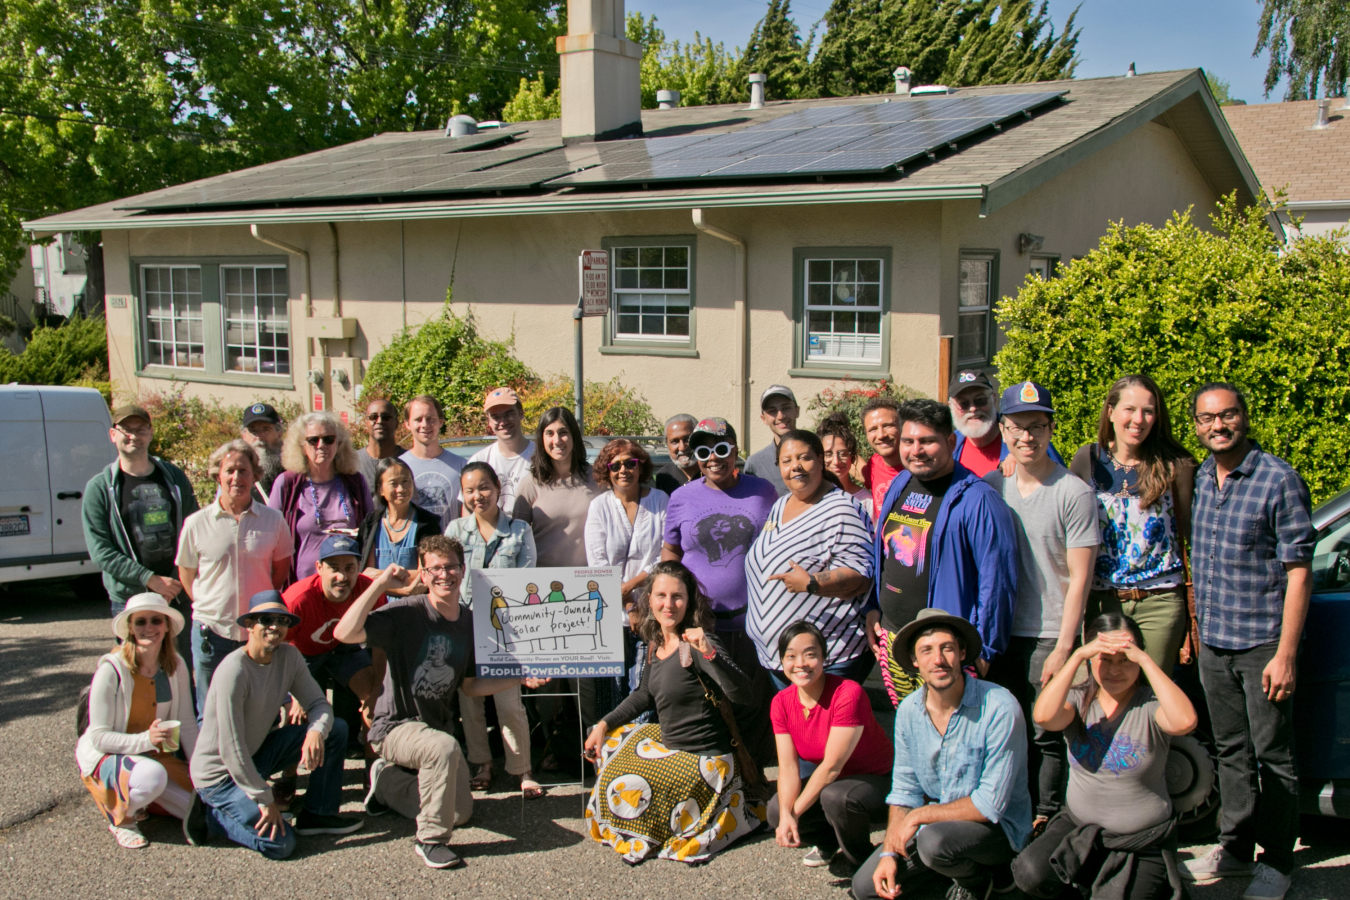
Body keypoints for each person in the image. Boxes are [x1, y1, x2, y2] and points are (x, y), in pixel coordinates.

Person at [334, 536, 548, 869]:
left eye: (450, 566)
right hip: (395, 727)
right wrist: (378, 585)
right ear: (422, 573)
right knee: (444, 750)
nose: (443, 574)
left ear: (463, 571)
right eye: (434, 568)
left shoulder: (467, 623)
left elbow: (471, 687)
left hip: (436, 731)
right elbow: (344, 634)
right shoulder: (404, 613)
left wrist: (519, 678)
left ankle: (387, 785)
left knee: (460, 812)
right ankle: (430, 840)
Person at [1181, 383, 1314, 900]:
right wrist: (1196, 630)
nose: (1218, 425)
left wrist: (1285, 655)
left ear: (1244, 417)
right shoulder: (1201, 479)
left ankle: (1277, 861)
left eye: (1227, 415)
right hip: (1215, 642)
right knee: (1231, 750)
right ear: (1196, 424)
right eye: (1207, 418)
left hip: (1263, 645)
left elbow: (1299, 573)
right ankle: (1236, 845)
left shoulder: (1278, 480)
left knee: (1273, 756)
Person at [582, 560, 766, 864]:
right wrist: (603, 723)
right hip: (669, 744)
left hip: (703, 759)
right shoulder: (656, 643)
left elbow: (744, 695)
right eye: (661, 596)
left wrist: (709, 653)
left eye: (677, 596)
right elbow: (643, 695)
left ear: (689, 600)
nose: (669, 604)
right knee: (606, 744)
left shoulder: (697, 641)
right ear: (649, 599)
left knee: (623, 786)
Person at [1014, 613, 1198, 900]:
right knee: (1029, 873)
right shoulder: (1078, 699)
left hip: (1142, 841)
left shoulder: (1150, 704)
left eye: (1125, 659)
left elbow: (1185, 721)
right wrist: (1076, 656)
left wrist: (1147, 661)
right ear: (1092, 659)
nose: (1115, 670)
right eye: (1105, 659)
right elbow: (1044, 716)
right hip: (1080, 829)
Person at [853, 608, 1031, 900]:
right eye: (927, 650)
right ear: (914, 661)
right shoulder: (909, 710)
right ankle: (946, 873)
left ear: (962, 653)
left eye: (946, 648)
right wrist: (888, 851)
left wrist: (921, 816)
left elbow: (990, 804)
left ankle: (981, 880)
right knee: (865, 889)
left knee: (935, 843)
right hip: (937, 827)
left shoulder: (1000, 706)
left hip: (995, 831)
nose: (938, 659)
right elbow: (905, 789)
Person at [982, 382, 1098, 830]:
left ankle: (1047, 818)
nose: (1026, 437)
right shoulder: (994, 484)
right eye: (1016, 427)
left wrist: (1065, 647)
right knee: (1008, 734)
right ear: (1003, 430)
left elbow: (1081, 578)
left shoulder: (1073, 492)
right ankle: (1014, 814)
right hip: (1002, 635)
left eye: (1037, 426)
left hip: (1050, 633)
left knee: (1047, 734)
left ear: (1051, 429)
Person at [185, 590, 362, 857]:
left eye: (281, 621)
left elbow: (319, 705)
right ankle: (212, 817)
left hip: (255, 756)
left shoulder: (288, 658)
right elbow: (231, 749)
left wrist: (315, 731)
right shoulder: (233, 672)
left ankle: (318, 815)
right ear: (249, 625)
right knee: (280, 844)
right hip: (220, 776)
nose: (275, 627)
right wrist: (265, 798)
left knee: (334, 730)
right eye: (265, 619)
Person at [870, 399, 1018, 707]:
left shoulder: (979, 501)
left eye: (927, 441)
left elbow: (997, 583)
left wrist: (983, 652)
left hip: (944, 652)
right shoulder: (901, 483)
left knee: (952, 739)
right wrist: (874, 609)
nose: (915, 450)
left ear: (951, 441)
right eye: (908, 441)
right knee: (910, 730)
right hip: (895, 641)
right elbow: (883, 553)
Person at [660, 417, 779, 758]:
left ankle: (752, 783)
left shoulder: (763, 492)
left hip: (752, 622)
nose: (713, 457)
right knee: (707, 701)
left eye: (721, 448)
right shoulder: (682, 497)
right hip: (701, 623)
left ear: (735, 450)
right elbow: (671, 550)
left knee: (751, 701)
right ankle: (716, 779)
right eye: (703, 450)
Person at [1069, 374, 1196, 673]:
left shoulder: (1177, 465)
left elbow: (1191, 533)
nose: (1138, 419)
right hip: (1102, 601)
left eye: (1148, 411)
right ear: (1110, 412)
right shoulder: (1088, 459)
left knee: (1153, 691)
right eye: (1130, 409)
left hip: (1160, 603)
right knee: (1104, 690)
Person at [745, 429, 876, 688]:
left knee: (826, 729)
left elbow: (860, 576)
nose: (796, 467)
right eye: (787, 460)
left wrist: (813, 583)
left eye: (804, 458)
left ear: (819, 460)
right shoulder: (781, 505)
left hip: (826, 656)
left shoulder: (842, 508)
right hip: (781, 658)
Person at [444, 461, 541, 799]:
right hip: (466, 626)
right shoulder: (455, 531)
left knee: (509, 701)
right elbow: (447, 577)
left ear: (498, 488)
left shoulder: (518, 530)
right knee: (469, 700)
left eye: (483, 487)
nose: (477, 496)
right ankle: (481, 763)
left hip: (505, 628)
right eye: (470, 490)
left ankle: (522, 768)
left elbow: (527, 577)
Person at [176, 439, 292, 713]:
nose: (236, 477)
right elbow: (186, 573)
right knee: (210, 708)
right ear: (218, 474)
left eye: (244, 470)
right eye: (229, 470)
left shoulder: (273, 520)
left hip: (257, 631)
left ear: (255, 476)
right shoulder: (196, 523)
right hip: (211, 632)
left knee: (258, 707)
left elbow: (280, 571)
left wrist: (258, 605)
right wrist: (210, 603)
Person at [83, 404, 200, 671]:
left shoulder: (174, 478)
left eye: (141, 429)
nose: (134, 436)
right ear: (113, 434)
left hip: (176, 595)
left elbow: (194, 532)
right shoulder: (100, 488)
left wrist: (177, 580)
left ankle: (182, 714)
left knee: (180, 670)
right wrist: (149, 580)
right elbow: (101, 550)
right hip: (130, 599)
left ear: (150, 433)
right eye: (127, 430)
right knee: (138, 673)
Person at [77, 593, 198, 849]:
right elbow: (99, 737)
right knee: (151, 776)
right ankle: (123, 821)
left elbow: (186, 722)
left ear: (167, 627)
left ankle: (144, 801)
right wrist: (146, 740)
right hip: (109, 757)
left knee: (199, 808)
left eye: (156, 620)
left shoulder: (175, 664)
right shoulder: (112, 669)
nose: (149, 628)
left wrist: (202, 768)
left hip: (154, 756)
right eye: (140, 622)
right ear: (130, 628)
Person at [770, 621, 893, 869]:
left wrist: (794, 814)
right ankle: (829, 841)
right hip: (836, 784)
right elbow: (788, 769)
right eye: (791, 656)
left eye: (810, 654)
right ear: (782, 661)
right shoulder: (781, 702)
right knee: (775, 809)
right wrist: (785, 814)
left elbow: (831, 768)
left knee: (836, 797)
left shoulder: (848, 693)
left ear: (824, 658)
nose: (801, 663)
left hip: (881, 781)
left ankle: (862, 860)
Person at [586, 440, 670, 711]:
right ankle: (611, 749)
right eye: (615, 465)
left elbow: (664, 555)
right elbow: (598, 565)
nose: (624, 470)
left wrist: (633, 588)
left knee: (647, 688)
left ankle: (642, 747)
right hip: (610, 615)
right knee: (613, 689)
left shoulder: (660, 501)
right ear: (606, 470)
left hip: (654, 611)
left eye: (630, 463)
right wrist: (629, 605)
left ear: (641, 466)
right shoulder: (599, 507)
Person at [282, 534, 387, 731]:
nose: (342, 577)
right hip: (302, 656)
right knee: (299, 714)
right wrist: (293, 696)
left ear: (358, 568)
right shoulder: (297, 600)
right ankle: (300, 757)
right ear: (319, 568)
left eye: (349, 568)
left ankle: (373, 760)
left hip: (345, 649)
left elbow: (381, 645)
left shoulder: (370, 591)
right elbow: (279, 650)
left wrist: (376, 690)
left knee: (376, 702)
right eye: (334, 568)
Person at [268, 410, 373, 584]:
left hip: (347, 584)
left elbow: (371, 532)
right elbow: (271, 538)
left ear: (339, 444)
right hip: (302, 585)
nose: (321, 445)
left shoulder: (354, 481)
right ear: (302, 445)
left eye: (328, 439)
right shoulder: (287, 484)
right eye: (313, 440)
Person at [950, 371, 1065, 479]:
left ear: (993, 398)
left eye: (980, 400)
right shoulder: (949, 447)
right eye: (963, 404)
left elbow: (1059, 482)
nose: (973, 408)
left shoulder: (1029, 440)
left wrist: (1026, 460)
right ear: (951, 406)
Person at [358, 457, 440, 595]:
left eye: (405, 482)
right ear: (380, 489)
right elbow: (365, 576)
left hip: (416, 607)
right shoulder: (371, 523)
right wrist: (405, 588)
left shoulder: (427, 523)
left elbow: (427, 574)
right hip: (378, 606)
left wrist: (381, 577)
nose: (401, 489)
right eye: (393, 483)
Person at [400, 394, 463, 529]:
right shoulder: (399, 468)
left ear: (441, 421)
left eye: (430, 419)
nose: (425, 425)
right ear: (407, 424)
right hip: (414, 548)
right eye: (418, 419)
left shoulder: (461, 466)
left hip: (452, 547)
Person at [468, 387, 535, 512]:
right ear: (489, 421)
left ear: (521, 413)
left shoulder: (540, 457)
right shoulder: (479, 461)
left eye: (508, 414)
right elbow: (468, 508)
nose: (503, 422)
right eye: (495, 417)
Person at [743, 385, 800, 496]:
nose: (780, 416)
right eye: (772, 411)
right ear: (764, 419)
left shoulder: (817, 453)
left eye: (786, 408)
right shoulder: (755, 465)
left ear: (797, 411)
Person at [817, 411, 873, 522]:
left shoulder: (866, 501)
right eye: (828, 454)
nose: (836, 461)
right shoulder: (812, 498)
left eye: (842, 454)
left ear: (851, 456)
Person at [860, 396, 904, 520]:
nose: (881, 435)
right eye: (873, 429)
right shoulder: (873, 464)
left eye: (888, 425)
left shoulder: (919, 469)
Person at [356, 398, 404, 492]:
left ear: (396, 424)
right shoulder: (352, 462)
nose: (379, 421)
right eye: (373, 417)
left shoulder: (408, 461)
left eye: (386, 417)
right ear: (366, 423)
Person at [240, 402, 285, 497]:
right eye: (253, 431)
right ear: (244, 436)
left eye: (266, 430)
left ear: (279, 433)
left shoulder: (292, 469)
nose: (260, 437)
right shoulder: (236, 472)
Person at [654, 413, 699, 496]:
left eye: (687, 439)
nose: (682, 448)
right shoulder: (665, 476)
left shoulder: (711, 471)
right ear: (667, 444)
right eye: (675, 441)